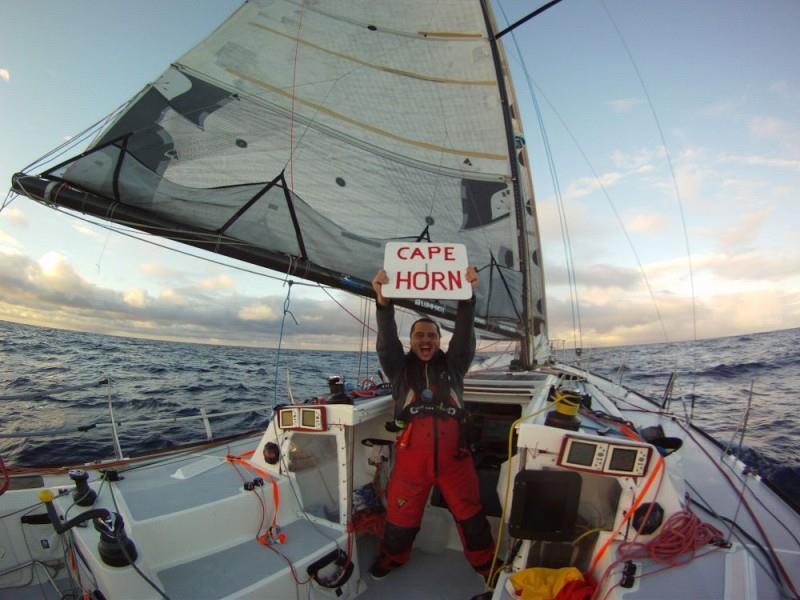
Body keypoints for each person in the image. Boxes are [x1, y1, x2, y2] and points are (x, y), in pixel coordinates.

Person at [369, 266, 494, 580]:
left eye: (431, 335)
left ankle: (485, 564)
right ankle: (393, 558)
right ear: (410, 341)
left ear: (440, 340)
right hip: (412, 460)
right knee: (400, 516)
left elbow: (464, 338)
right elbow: (385, 343)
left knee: (471, 516)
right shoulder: (397, 368)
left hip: (456, 459)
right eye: (419, 335)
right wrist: (384, 304)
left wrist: (467, 300)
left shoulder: (455, 365)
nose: (425, 340)